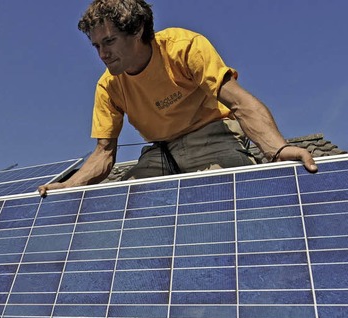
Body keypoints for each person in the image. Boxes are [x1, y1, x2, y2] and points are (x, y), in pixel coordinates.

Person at [38, 0, 317, 195]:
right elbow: (104, 153)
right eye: (96, 45)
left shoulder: (183, 48)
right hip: (161, 151)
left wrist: (278, 150)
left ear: (137, 31)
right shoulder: (108, 86)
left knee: (238, 199)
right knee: (128, 210)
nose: (102, 54)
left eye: (109, 42)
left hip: (210, 137)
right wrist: (71, 186)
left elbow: (239, 102)